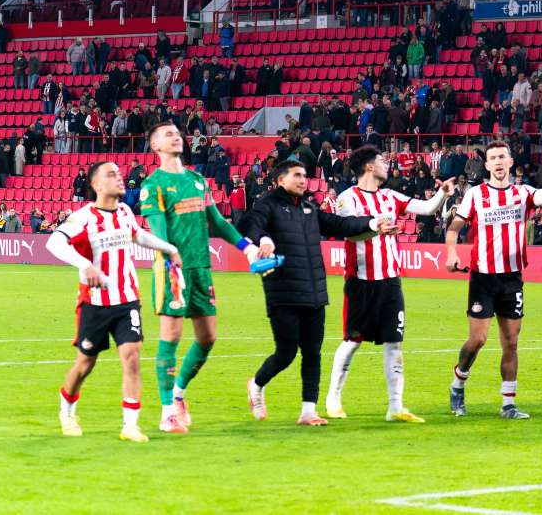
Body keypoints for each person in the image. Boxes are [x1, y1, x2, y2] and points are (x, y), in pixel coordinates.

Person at [141, 121, 270, 434]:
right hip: (172, 270)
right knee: (170, 337)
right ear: (155, 146)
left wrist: (248, 249)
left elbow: (218, 223)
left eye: (176, 132)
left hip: (201, 268)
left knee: (208, 337)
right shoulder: (153, 184)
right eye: (166, 134)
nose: (175, 136)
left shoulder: (198, 180)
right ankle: (166, 412)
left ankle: (178, 393)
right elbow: (157, 231)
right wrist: (172, 255)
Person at [239, 161, 388, 425]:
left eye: (305, 175)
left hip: (314, 292)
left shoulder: (309, 208)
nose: (303, 180)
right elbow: (250, 222)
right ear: (280, 179)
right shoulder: (268, 204)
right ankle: (257, 385)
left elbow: (339, 225)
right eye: (297, 175)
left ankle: (308, 411)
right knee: (285, 354)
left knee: (312, 353)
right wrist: (262, 238)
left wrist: (372, 223)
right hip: (282, 292)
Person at [46, 160, 182, 441]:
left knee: (131, 358)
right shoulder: (83, 217)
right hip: (94, 303)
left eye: (119, 174)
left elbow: (138, 236)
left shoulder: (124, 212)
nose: (120, 178)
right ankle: (67, 411)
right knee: (85, 365)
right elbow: (54, 242)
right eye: (112, 175)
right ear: (97, 184)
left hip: (127, 300)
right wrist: (85, 265)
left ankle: (130, 425)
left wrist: (169, 248)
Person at [444, 140, 542, 420]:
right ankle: (459, 381)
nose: (498, 162)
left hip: (512, 278)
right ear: (487, 165)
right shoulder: (475, 195)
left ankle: (508, 404)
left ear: (510, 162)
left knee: (511, 342)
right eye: (493, 158)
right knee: (477, 340)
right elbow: (454, 229)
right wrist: (451, 254)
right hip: (483, 276)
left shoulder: (523, 193)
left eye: (503, 156)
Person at [324, 146, 450, 422]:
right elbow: (350, 234)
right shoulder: (348, 199)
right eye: (381, 160)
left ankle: (396, 407)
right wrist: (374, 228)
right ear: (369, 166)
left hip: (390, 281)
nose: (386, 163)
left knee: (395, 342)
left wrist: (443, 192)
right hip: (361, 281)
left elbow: (427, 208)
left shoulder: (391, 197)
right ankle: (333, 398)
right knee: (352, 341)